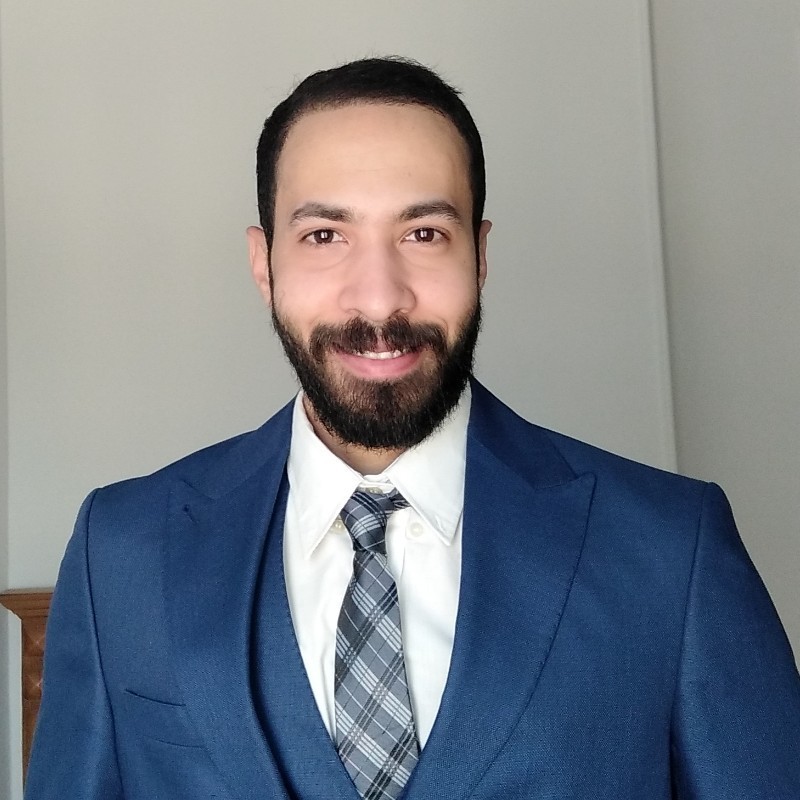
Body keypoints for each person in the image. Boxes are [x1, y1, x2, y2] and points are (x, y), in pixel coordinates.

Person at [25, 56, 800, 800]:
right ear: (264, 265)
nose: (378, 298)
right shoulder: (121, 550)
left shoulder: (672, 547)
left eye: (423, 233)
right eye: (324, 235)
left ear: (480, 256)